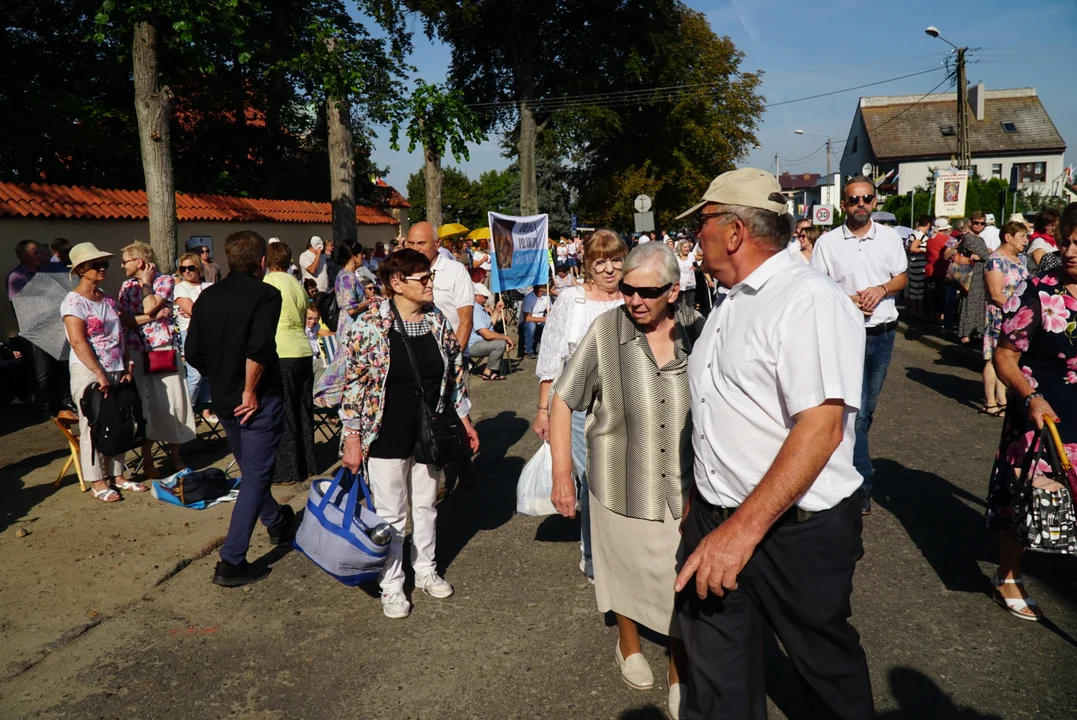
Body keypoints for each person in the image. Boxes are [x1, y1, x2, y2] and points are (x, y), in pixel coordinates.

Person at [674, 168, 872, 718]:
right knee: (717, 683)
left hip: (794, 532)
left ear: (735, 231)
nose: (697, 236)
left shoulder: (807, 298)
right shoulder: (732, 299)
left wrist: (741, 530)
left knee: (825, 677)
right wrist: (703, 498)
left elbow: (822, 428)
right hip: (718, 519)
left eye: (704, 223)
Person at [550, 242, 700, 718]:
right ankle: (628, 643)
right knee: (623, 570)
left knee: (681, 580)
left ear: (674, 291)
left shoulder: (699, 331)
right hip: (618, 475)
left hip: (683, 482)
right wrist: (560, 474)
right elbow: (562, 399)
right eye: (628, 290)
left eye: (647, 292)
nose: (633, 300)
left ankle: (680, 671)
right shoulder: (605, 330)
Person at [316, 249, 480, 619]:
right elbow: (353, 387)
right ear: (396, 284)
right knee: (390, 513)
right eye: (421, 279)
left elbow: (454, 375)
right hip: (385, 430)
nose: (430, 284)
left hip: (431, 428)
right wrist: (353, 439)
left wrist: (465, 421)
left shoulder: (437, 321)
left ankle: (425, 570)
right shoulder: (370, 325)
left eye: (429, 277)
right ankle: (391, 584)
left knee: (426, 505)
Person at [186, 231, 296, 587]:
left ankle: (276, 520)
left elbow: (194, 352)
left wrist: (223, 377)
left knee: (252, 469)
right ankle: (231, 560)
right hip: (256, 397)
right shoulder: (266, 294)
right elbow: (260, 347)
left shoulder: (207, 297)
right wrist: (248, 388)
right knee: (255, 475)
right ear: (262, 261)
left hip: (224, 396)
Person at [985, 202, 1077, 622]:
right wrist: (1029, 397)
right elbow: (1005, 358)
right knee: (1025, 500)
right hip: (1041, 413)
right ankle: (1009, 575)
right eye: (1067, 242)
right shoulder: (1039, 292)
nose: (1071, 251)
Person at [810, 175, 908, 515]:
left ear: (875, 202)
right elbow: (817, 286)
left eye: (866, 198)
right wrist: (848, 299)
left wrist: (881, 290)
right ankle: (860, 484)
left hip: (883, 332)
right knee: (857, 411)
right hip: (846, 333)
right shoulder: (828, 243)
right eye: (854, 200)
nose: (861, 204)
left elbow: (902, 277)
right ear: (843, 205)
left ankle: (846, 467)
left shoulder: (890, 238)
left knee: (867, 411)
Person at [534, 229, 627, 581]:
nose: (608, 269)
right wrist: (544, 409)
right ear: (587, 264)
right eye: (600, 262)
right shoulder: (571, 300)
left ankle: (620, 549)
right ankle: (592, 555)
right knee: (592, 482)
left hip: (625, 406)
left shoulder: (632, 297)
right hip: (578, 408)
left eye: (615, 260)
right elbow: (552, 358)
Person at [61, 243, 146, 503]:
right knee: (93, 425)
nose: (101, 268)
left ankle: (118, 475)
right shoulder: (73, 301)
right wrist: (98, 372)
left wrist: (128, 362)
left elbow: (119, 332)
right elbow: (78, 341)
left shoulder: (108, 298)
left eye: (104, 264)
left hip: (116, 367)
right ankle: (97, 480)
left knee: (118, 420)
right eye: (94, 265)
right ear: (79, 270)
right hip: (88, 371)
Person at [118, 242, 196, 478]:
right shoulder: (125, 286)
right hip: (138, 351)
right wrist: (149, 316)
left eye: (126, 261)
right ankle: (148, 459)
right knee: (146, 406)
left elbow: (151, 304)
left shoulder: (165, 281)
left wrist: (147, 286)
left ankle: (176, 457)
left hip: (162, 350)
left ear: (139, 262)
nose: (122, 266)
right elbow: (126, 321)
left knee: (171, 402)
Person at [263, 241, 316, 486]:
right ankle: (308, 463)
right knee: (303, 409)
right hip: (303, 349)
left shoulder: (269, 283)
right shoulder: (296, 283)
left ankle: (288, 470)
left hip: (282, 349)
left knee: (284, 411)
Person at [7, 239, 75, 420]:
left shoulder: (47, 271)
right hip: (35, 330)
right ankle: (44, 407)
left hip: (55, 326)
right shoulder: (18, 276)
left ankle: (64, 402)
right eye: (35, 253)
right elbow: (21, 305)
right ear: (23, 256)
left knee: (61, 366)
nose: (40, 255)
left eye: (40, 252)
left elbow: (66, 286)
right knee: (41, 371)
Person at [403, 222, 474, 357]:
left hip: (450, 354)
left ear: (437, 243)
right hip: (415, 357)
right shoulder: (403, 271)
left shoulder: (455, 271)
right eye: (411, 243)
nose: (415, 249)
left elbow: (466, 321)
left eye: (421, 243)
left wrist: (454, 358)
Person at [981, 221, 1030, 417]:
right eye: (1022, 237)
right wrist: (1014, 311)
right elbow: (995, 293)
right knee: (993, 358)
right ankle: (990, 401)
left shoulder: (1022, 260)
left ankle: (1002, 398)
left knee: (1008, 358)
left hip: (1018, 316)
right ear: (1007, 237)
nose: (1026, 241)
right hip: (1000, 314)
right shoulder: (995, 260)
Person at [174, 252, 217, 425]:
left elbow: (217, 311)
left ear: (198, 268)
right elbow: (191, 309)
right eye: (183, 269)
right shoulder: (181, 287)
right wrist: (202, 311)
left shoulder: (209, 286)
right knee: (195, 375)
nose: (186, 272)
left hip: (210, 332)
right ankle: (188, 411)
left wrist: (199, 311)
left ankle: (206, 410)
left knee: (208, 373)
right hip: (190, 332)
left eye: (190, 268)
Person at [954, 218, 992, 344]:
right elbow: (986, 255)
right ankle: (966, 334)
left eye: (982, 223)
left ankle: (972, 332)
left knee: (976, 304)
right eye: (976, 223)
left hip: (977, 274)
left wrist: (983, 254)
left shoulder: (976, 238)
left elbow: (983, 254)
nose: (979, 225)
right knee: (970, 303)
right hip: (972, 274)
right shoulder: (970, 238)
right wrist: (988, 253)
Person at [468, 282, 513, 380]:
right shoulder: (475, 309)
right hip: (473, 345)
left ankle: (495, 369)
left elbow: (490, 324)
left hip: (480, 342)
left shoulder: (480, 308)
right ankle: (488, 371)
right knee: (500, 343)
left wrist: (497, 310)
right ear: (476, 295)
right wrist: (506, 337)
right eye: (484, 296)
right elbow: (487, 334)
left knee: (500, 340)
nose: (486, 298)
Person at [333, 238, 375, 334]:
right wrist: (371, 300)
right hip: (350, 330)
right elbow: (351, 309)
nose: (363, 256)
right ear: (353, 257)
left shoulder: (346, 274)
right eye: (361, 254)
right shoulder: (347, 277)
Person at [904, 215, 932, 320]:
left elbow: (908, 248)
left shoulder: (913, 233)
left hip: (913, 263)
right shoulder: (920, 235)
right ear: (928, 224)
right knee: (919, 289)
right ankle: (919, 312)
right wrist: (925, 251)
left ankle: (913, 311)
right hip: (919, 264)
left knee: (913, 289)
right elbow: (913, 248)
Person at [519, 285, 550, 358]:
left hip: (541, 320)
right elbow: (527, 318)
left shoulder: (546, 297)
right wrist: (542, 319)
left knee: (550, 324)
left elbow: (550, 311)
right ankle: (529, 350)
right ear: (540, 289)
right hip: (526, 322)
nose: (546, 289)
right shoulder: (529, 298)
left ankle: (545, 347)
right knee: (531, 326)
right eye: (544, 287)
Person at [676, 240, 698, 310]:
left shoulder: (691, 255)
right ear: (680, 247)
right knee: (680, 305)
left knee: (690, 304)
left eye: (688, 247)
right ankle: (682, 320)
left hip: (690, 285)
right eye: (685, 247)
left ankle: (690, 320)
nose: (687, 249)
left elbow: (696, 266)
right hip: (679, 285)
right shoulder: (675, 257)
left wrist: (695, 268)